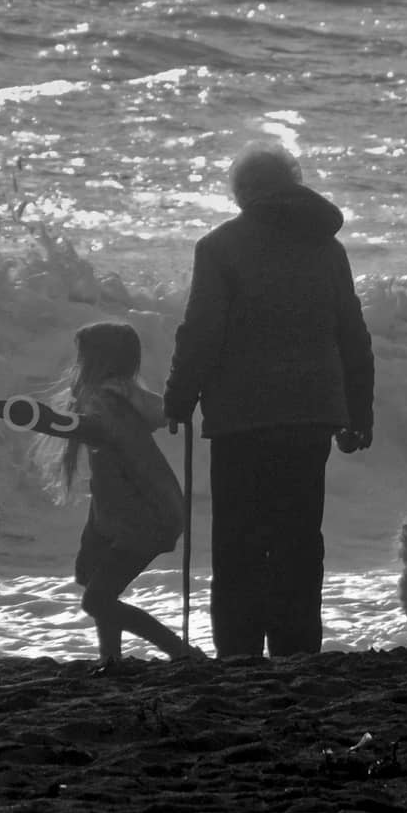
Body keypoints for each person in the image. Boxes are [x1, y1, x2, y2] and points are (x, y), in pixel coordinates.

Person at [162, 140, 374, 659]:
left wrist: (179, 395)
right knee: (299, 536)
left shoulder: (219, 247)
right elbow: (352, 334)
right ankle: (297, 651)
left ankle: (237, 653)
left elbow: (201, 332)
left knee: (239, 541)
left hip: (243, 417)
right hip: (311, 413)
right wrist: (358, 411)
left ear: (242, 193)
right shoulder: (328, 248)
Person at [0, 321, 201, 666]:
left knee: (97, 600)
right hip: (120, 512)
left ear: (97, 361)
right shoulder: (116, 397)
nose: (76, 366)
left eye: (82, 357)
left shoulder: (108, 404)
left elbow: (89, 429)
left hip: (146, 517)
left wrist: (37, 418)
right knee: (89, 575)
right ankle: (111, 660)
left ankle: (181, 653)